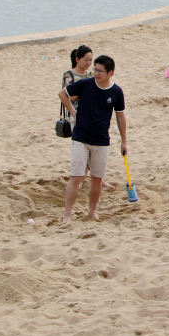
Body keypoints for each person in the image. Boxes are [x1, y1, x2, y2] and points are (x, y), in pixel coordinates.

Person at [58, 55, 127, 224]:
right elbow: (62, 94)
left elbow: (120, 116)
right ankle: (67, 214)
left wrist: (124, 141)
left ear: (110, 73)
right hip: (80, 137)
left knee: (97, 178)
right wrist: (73, 113)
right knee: (76, 177)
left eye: (100, 71)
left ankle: (91, 211)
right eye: (95, 69)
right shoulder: (84, 84)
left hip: (101, 140)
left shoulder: (116, 92)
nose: (96, 73)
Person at [62, 45, 115, 191]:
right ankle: (80, 178)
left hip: (92, 115)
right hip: (76, 114)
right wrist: (84, 91)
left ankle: (97, 178)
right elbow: (69, 96)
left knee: (95, 147)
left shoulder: (90, 77)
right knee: (82, 146)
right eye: (86, 60)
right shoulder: (69, 75)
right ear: (77, 59)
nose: (89, 63)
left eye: (91, 60)